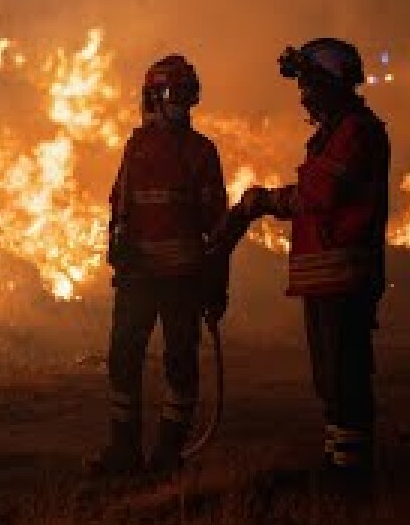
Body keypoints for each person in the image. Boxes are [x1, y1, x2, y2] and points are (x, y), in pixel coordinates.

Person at [235, 37, 391, 477]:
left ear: (334, 82)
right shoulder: (330, 136)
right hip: (324, 280)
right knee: (329, 381)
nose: (304, 95)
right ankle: (338, 460)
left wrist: (265, 201)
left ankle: (351, 481)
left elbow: (318, 195)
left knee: (346, 380)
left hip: (345, 279)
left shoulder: (357, 132)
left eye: (310, 82)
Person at [87, 53, 230, 476]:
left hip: (184, 280)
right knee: (122, 358)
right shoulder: (136, 147)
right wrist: (116, 245)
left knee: (180, 362)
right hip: (138, 278)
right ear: (153, 97)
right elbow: (121, 204)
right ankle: (124, 448)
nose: (179, 104)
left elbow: (217, 226)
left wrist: (216, 285)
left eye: (186, 96)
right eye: (171, 95)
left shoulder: (202, 152)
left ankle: (169, 453)